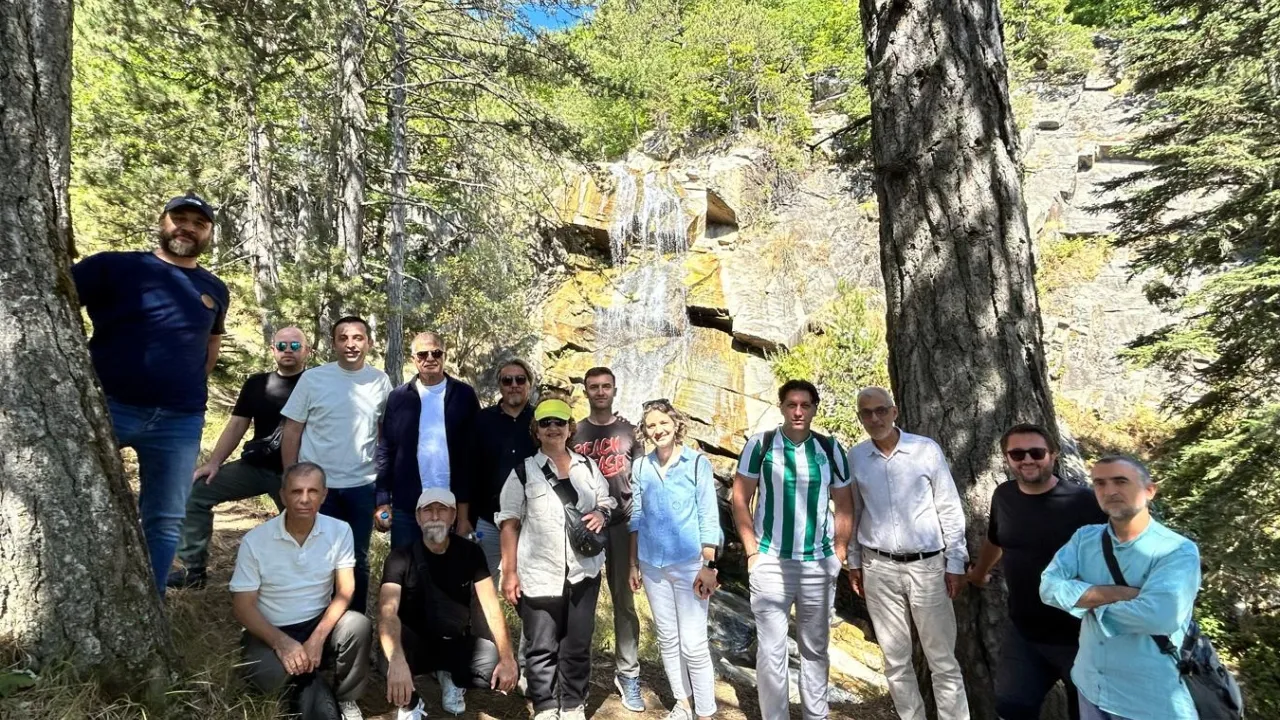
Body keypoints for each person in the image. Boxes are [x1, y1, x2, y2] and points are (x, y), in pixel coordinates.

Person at [72, 192, 230, 592]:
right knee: (72, 497)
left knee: (165, 519)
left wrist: (186, 382)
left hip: (179, 420)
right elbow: (52, 303)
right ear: (162, 222)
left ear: (209, 233)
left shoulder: (214, 287)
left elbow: (211, 344)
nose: (188, 228)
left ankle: (151, 605)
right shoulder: (115, 266)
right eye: (180, 218)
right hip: (109, 407)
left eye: (199, 223)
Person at [1040, 456, 1201, 720]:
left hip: (1148, 701)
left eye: (1121, 481)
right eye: (1100, 483)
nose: (1110, 491)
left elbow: (1159, 616)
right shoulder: (1084, 538)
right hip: (1091, 687)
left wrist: (1086, 603)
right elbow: (1048, 587)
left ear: (1150, 490)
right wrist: (1116, 594)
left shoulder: (1177, 550)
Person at [731, 379, 855, 720]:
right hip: (771, 561)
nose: (798, 411)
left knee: (815, 650)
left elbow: (845, 504)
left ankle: (816, 715)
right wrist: (752, 552)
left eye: (805, 405)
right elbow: (740, 498)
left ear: (814, 409)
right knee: (771, 651)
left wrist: (839, 554)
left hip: (818, 564)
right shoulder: (761, 445)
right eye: (791, 404)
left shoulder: (830, 449)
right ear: (782, 407)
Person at [966, 424, 1107, 720]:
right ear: (1007, 458)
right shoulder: (1004, 495)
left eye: (1036, 452)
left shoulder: (1086, 503)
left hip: (1081, 636)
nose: (1027, 460)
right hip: (1025, 633)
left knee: (1088, 714)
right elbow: (996, 539)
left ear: (1053, 454)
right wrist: (979, 573)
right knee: (1012, 707)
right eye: (1017, 454)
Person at [846, 386, 969, 720]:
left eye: (881, 410)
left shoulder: (925, 450)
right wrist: (853, 562)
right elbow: (854, 511)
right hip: (878, 567)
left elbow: (948, 507)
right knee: (895, 661)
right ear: (860, 417)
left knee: (942, 660)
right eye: (867, 413)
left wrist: (956, 561)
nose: (875, 418)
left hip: (928, 566)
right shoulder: (856, 457)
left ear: (894, 411)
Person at [497, 397, 616, 720]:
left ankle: (573, 704)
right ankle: (546, 706)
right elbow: (509, 524)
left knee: (577, 643)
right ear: (536, 430)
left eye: (559, 422)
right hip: (538, 573)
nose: (553, 428)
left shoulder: (587, 467)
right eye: (546, 423)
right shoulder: (523, 472)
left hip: (584, 572)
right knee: (541, 646)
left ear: (570, 428)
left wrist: (600, 514)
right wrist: (509, 573)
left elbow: (607, 500)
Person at [167, 326, 311, 589]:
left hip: (298, 473)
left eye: (295, 346)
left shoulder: (316, 383)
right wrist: (214, 463)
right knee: (196, 493)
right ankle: (193, 571)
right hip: (255, 467)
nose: (287, 351)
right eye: (282, 346)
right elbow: (237, 425)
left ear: (307, 351)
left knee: (304, 525)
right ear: (273, 350)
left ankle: (303, 583)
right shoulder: (256, 384)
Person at [230, 462, 370, 720]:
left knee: (357, 626)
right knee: (269, 678)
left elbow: (346, 589)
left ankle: (346, 697)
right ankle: (305, 684)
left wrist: (317, 639)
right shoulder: (256, 541)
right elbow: (242, 606)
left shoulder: (339, 531)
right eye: (296, 491)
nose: (305, 499)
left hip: (318, 621)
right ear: (283, 495)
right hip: (271, 629)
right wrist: (281, 643)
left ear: (324, 495)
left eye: (313, 491)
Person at [281, 315, 393, 613]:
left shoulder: (380, 380)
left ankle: (354, 624)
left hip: (362, 486)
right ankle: (311, 621)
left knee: (357, 558)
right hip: (317, 488)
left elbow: (384, 435)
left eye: (358, 338)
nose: (350, 344)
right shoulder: (313, 379)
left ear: (369, 343)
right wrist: (290, 478)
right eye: (343, 338)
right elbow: (292, 430)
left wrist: (383, 491)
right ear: (333, 344)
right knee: (313, 557)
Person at [377, 488, 519, 719]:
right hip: (416, 644)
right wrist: (397, 660)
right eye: (428, 511)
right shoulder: (400, 557)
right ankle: (410, 703)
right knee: (388, 656)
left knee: (492, 661)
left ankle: (452, 678)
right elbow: (387, 612)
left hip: (455, 642)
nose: (435, 517)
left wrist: (507, 658)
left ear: (453, 516)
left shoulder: (471, 553)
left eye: (442, 510)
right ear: (418, 517)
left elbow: (491, 606)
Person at [628, 400, 720, 720]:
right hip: (652, 565)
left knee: (693, 644)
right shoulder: (641, 467)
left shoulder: (697, 464)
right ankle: (683, 704)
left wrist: (709, 566)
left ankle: (705, 713)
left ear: (676, 423)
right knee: (667, 639)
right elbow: (636, 517)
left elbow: (709, 516)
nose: (658, 430)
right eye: (651, 425)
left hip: (690, 565)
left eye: (663, 423)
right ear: (645, 431)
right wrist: (633, 564)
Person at [569, 366, 645, 711]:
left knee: (624, 602)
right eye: (594, 387)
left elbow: (641, 482)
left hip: (622, 526)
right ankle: (574, 677)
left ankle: (628, 673)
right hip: (584, 526)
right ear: (585, 391)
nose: (600, 392)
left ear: (615, 390)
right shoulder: (575, 432)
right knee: (578, 602)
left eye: (606, 386)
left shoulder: (629, 432)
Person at [376, 332, 480, 548]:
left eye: (436, 353)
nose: (430, 358)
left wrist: (464, 515)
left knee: (453, 566)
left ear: (445, 356)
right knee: (405, 564)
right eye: (423, 354)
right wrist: (383, 501)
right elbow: (386, 450)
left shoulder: (464, 395)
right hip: (408, 504)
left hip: (452, 505)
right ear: (413, 359)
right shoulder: (398, 397)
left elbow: (472, 456)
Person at [468, 358, 537, 584]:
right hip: (488, 519)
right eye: (507, 380)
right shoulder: (481, 420)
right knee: (482, 584)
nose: (514, 385)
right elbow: (467, 469)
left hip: (531, 521)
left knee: (530, 586)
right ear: (500, 385)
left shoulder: (542, 421)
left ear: (529, 384)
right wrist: (464, 518)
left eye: (520, 380)